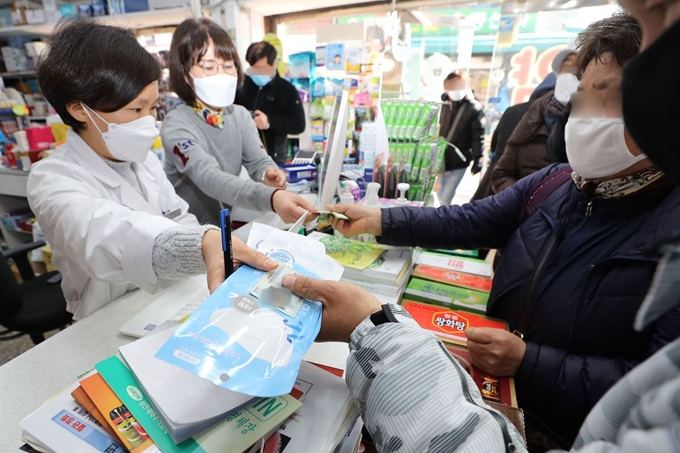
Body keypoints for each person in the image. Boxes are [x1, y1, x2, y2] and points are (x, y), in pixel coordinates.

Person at [281, 5, 680, 453]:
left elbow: (652, 390)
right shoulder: (555, 183)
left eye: (605, 96)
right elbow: (469, 220)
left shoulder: (671, 240)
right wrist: (379, 220)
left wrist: (531, 362)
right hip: (492, 389)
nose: (583, 116)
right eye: (581, 97)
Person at [26, 19, 278, 320]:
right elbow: (109, 235)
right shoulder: (52, 180)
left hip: (169, 299)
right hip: (105, 318)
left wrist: (204, 246)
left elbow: (177, 216)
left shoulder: (141, 160)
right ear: (79, 109)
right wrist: (202, 245)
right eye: (136, 109)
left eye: (153, 108)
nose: (150, 122)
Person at [162, 18, 315, 226]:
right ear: (185, 75)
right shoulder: (177, 125)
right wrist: (270, 198)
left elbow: (257, 160)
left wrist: (267, 173)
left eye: (228, 66)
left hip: (221, 230)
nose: (222, 74)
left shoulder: (240, 115)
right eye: (209, 66)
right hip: (187, 235)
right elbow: (211, 178)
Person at [491, 44, 578, 193]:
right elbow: (502, 173)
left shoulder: (596, 123)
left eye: (579, 72)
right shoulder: (535, 113)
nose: (570, 76)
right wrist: (523, 204)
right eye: (566, 70)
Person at [471, 73, 556, 201]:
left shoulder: (513, 110)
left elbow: (495, 145)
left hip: (496, 183)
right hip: (528, 197)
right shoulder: (559, 120)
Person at [235, 41, 305, 165]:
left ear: (273, 63)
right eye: (253, 69)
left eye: (261, 69)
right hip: (245, 158)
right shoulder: (243, 85)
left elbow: (299, 124)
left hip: (274, 159)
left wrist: (269, 122)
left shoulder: (286, 89)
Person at [437, 70, 485, 205]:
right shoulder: (445, 105)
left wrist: (477, 159)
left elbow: (478, 136)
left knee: (446, 197)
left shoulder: (474, 108)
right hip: (442, 159)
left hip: (460, 159)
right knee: (439, 194)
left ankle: (444, 224)